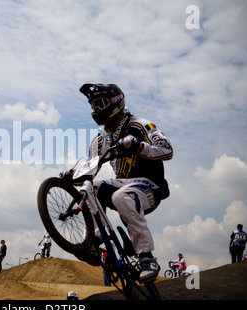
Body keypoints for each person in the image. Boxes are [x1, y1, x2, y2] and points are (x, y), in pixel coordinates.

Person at [74, 83, 173, 283]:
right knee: (92, 187)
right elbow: (90, 166)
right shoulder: (101, 138)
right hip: (123, 183)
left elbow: (167, 150)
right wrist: (72, 175)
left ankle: (146, 258)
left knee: (122, 196)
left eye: (100, 104)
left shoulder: (140, 125)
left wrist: (140, 147)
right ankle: (95, 239)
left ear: (115, 103)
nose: (96, 110)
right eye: (93, 106)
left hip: (150, 185)